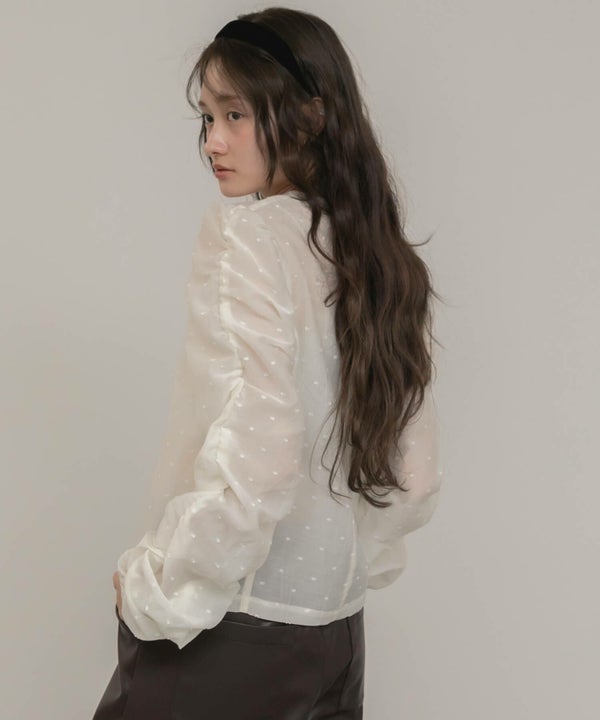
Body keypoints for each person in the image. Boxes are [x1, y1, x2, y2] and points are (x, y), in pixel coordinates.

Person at [92, 7, 443, 720]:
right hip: (338, 638)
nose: (213, 142)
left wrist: (161, 588)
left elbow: (262, 452)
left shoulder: (248, 237)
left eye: (236, 114)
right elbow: (414, 474)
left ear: (310, 117)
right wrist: (342, 568)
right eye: (206, 118)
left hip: (232, 634)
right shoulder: (375, 254)